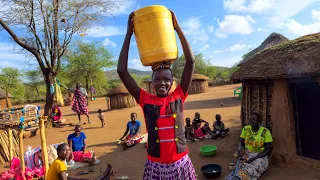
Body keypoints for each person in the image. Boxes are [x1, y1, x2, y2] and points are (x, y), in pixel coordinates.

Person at [117, 11, 196, 179]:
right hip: (156, 166)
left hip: (180, 163)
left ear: (172, 81)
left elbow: (190, 62)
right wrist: (129, 34)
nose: (162, 83)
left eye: (166, 79)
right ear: (151, 82)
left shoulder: (179, 95)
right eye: (157, 80)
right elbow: (122, 71)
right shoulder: (145, 100)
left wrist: (177, 28)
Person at [226, 112, 273, 180]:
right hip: (247, 153)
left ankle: (240, 177)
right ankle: (239, 176)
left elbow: (267, 150)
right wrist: (241, 149)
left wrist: (254, 158)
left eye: (254, 120)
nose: (252, 122)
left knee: (255, 167)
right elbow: (241, 143)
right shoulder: (246, 129)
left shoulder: (265, 132)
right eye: (250, 120)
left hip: (260, 155)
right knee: (243, 164)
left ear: (259, 121)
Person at [47, 143, 111, 180]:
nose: (67, 152)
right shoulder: (60, 164)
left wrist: (80, 179)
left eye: (68, 150)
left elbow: (65, 178)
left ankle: (103, 177)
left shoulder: (57, 161)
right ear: (58, 153)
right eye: (64, 150)